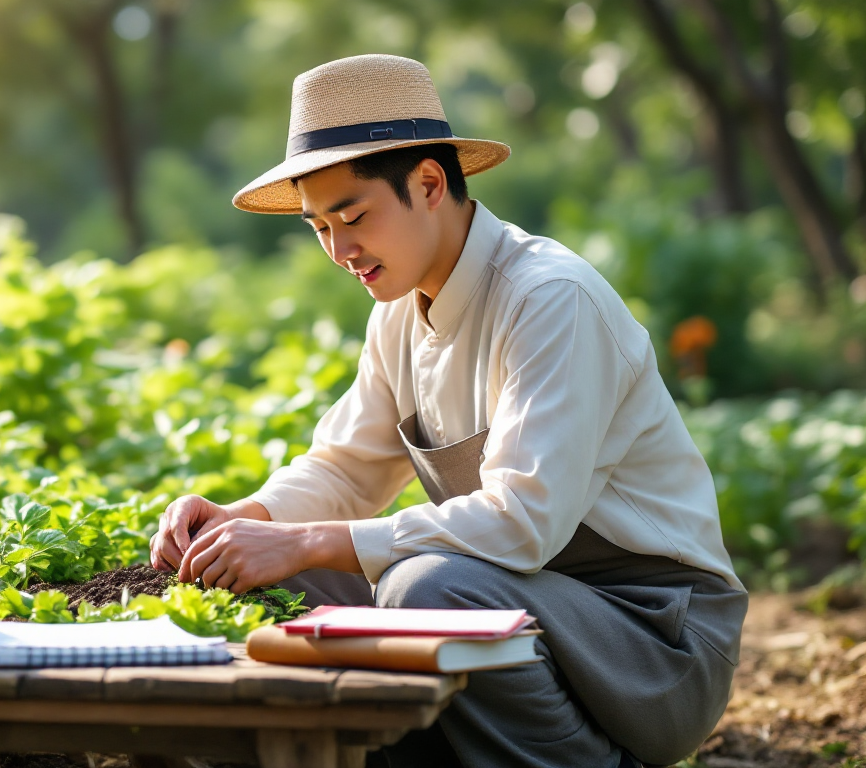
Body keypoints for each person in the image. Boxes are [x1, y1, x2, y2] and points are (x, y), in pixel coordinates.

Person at [148, 54, 747, 768]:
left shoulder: (550, 299)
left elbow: (524, 522)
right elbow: (347, 468)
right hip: (531, 605)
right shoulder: (399, 314)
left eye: (353, 216)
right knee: (278, 573)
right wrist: (244, 521)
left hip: (651, 640)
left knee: (426, 585)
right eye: (318, 228)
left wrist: (312, 541)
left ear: (429, 183)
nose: (340, 250)